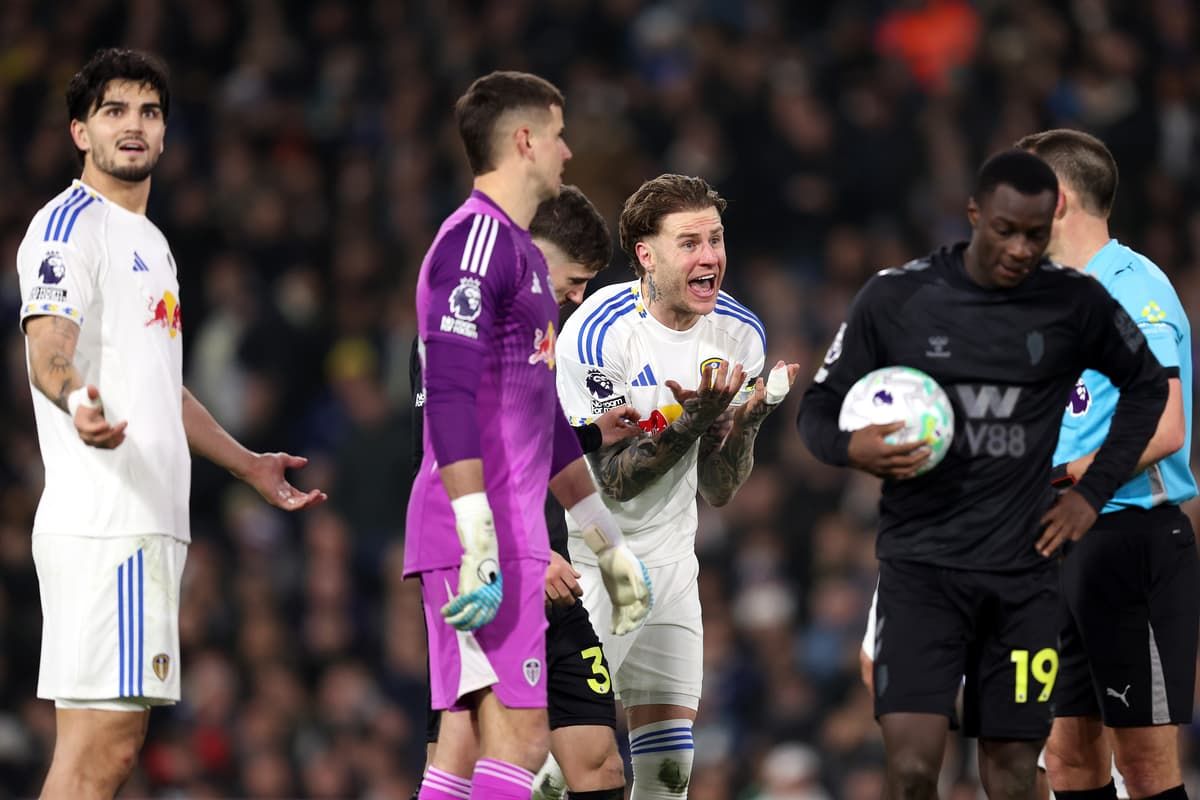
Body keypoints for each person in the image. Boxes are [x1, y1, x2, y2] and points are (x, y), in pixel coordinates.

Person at [797, 149, 1169, 799]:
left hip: (1021, 578)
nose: (1021, 249)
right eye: (1006, 231)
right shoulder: (897, 296)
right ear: (974, 215)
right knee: (913, 768)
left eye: (1034, 233)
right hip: (920, 569)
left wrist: (1092, 493)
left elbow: (1149, 389)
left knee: (1016, 772)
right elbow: (817, 412)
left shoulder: (1074, 302)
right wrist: (854, 448)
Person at [15, 48, 326, 800]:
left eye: (149, 112)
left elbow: (162, 387)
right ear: (80, 132)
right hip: (106, 522)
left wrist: (246, 463)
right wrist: (77, 401)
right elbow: (48, 349)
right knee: (99, 752)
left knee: (108, 750)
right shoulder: (67, 227)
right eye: (114, 111)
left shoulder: (151, 242)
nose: (134, 125)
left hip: (146, 523)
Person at [404, 71, 651, 800]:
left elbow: (540, 419)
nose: (568, 151)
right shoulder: (476, 245)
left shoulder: (520, 262)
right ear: (523, 141)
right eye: (557, 134)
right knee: (520, 735)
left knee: (462, 744)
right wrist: (479, 536)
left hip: (504, 529)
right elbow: (447, 398)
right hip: (483, 530)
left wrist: (605, 541)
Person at [555, 173, 800, 799]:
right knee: (561, 768)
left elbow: (718, 487)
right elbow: (615, 480)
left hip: (674, 564)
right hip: (594, 564)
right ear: (647, 255)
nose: (709, 257)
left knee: (670, 773)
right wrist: (692, 420)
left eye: (715, 239)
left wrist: (748, 422)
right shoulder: (597, 332)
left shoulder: (738, 334)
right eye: (689, 243)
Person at [1018, 129, 1197, 800]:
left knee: (1144, 766)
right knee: (1067, 758)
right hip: (1054, 545)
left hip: (1127, 539)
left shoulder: (1134, 289)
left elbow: (1166, 424)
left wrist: (1066, 474)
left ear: (1058, 201)